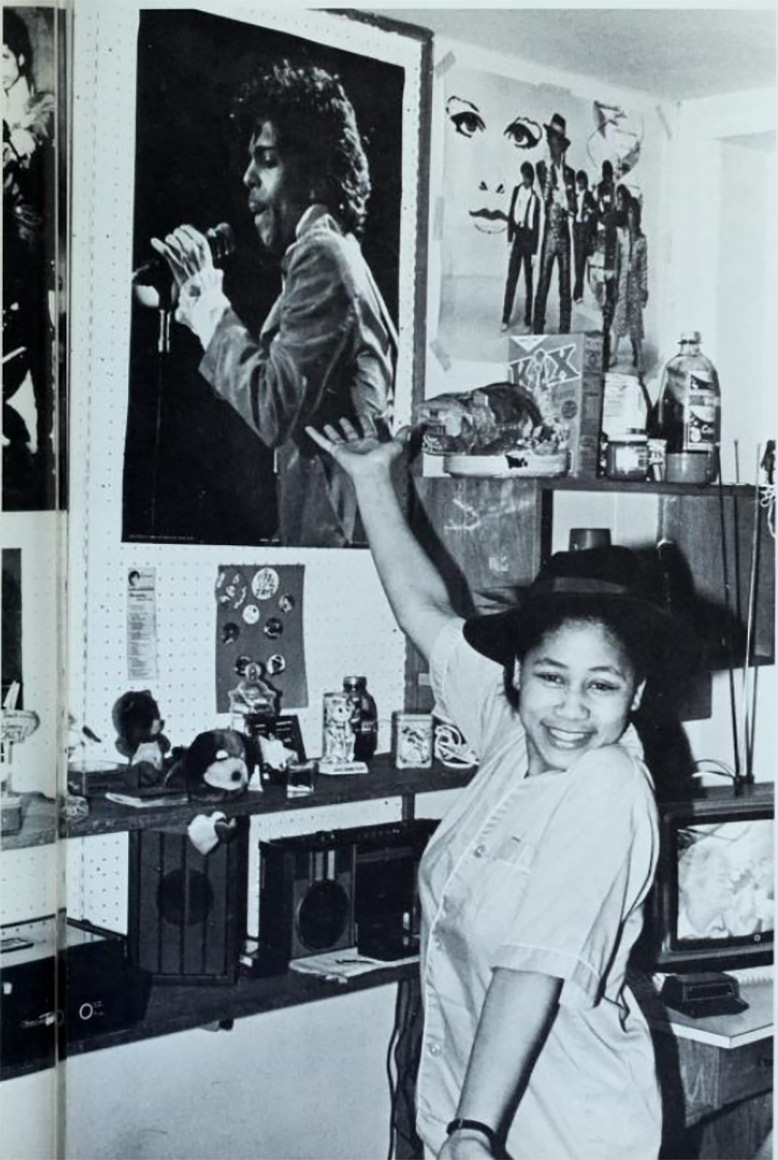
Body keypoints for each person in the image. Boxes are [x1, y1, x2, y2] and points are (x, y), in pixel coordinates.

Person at [306, 418, 696, 1160]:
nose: (573, 710)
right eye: (551, 677)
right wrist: (373, 484)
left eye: (602, 685)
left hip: (562, 1139)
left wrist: (472, 1132)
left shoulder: (607, 789)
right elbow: (425, 614)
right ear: (515, 675)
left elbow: (530, 969)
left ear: (636, 693)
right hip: (470, 1121)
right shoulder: (513, 734)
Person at [151, 62, 396, 547]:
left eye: (266, 160)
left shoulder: (321, 255)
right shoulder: (329, 251)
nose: (247, 178)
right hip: (332, 530)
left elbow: (273, 407)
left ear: (311, 169)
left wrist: (210, 307)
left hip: (340, 539)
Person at [3, 8, 56, 497]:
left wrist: (16, 141)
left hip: (28, 244)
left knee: (37, 341)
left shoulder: (39, 104)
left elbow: (38, 129)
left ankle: (44, 442)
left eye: (2, 57)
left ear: (20, 57)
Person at [532, 113, 576, 334]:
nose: (553, 144)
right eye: (551, 140)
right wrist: (551, 174)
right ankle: (537, 329)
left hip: (565, 236)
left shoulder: (570, 174)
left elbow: (574, 207)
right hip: (549, 235)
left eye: (556, 140)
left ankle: (565, 331)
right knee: (543, 284)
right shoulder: (542, 167)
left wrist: (568, 199)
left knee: (565, 286)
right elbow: (544, 195)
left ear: (562, 145)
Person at [500, 161, 539, 332]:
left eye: (528, 178)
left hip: (529, 240)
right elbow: (510, 215)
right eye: (523, 176)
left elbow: (536, 225)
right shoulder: (516, 191)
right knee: (511, 280)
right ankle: (505, 318)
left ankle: (528, 319)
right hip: (517, 238)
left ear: (532, 178)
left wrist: (535, 252)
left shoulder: (535, 198)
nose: (525, 180)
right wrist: (509, 240)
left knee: (529, 282)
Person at [610, 195, 648, 371]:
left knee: (636, 321)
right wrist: (615, 283)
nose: (631, 216)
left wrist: (644, 290)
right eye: (629, 212)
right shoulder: (622, 235)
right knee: (619, 317)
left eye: (634, 212)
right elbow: (617, 261)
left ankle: (639, 357)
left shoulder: (642, 240)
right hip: (623, 282)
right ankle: (613, 354)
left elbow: (644, 268)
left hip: (634, 283)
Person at [572, 169, 597, 304]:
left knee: (585, 265)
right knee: (578, 265)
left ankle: (581, 293)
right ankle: (577, 294)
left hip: (586, 232)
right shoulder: (574, 196)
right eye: (579, 181)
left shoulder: (589, 195)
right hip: (577, 230)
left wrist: (590, 212)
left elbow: (595, 212)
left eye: (582, 181)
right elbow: (572, 212)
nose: (580, 184)